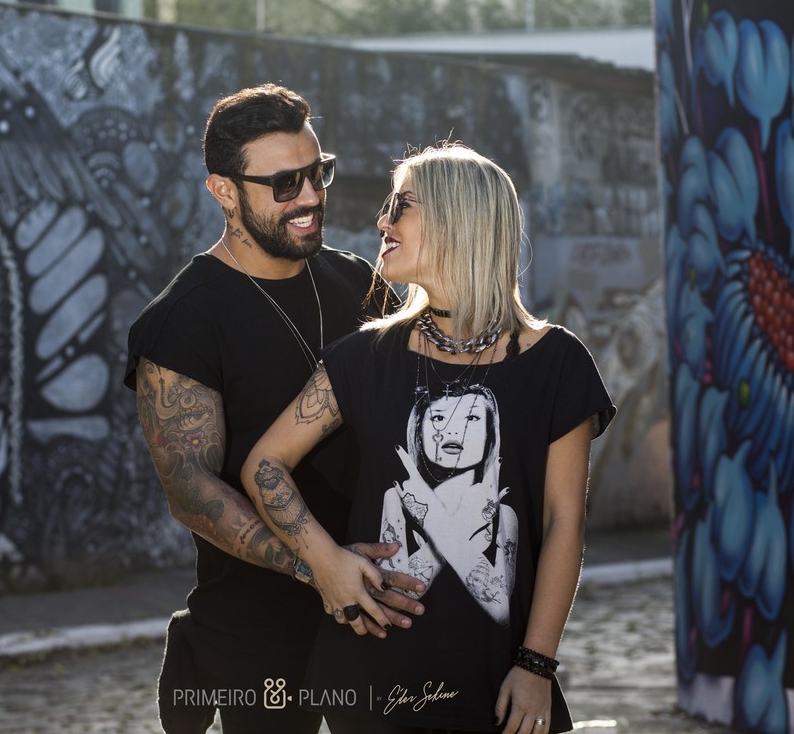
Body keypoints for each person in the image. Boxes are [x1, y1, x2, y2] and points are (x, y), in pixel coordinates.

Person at [241, 143, 616, 734]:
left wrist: (536, 664)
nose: (382, 220)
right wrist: (326, 564)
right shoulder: (364, 357)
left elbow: (564, 520)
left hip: (499, 685)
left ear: (455, 217)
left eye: (401, 206)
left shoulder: (556, 363)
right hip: (369, 685)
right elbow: (264, 464)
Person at [124, 83, 425, 734]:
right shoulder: (183, 320)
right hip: (256, 632)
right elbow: (190, 490)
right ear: (224, 191)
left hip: (379, 607)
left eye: (319, 172)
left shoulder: (360, 283)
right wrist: (319, 567)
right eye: (285, 183)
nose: (311, 196)